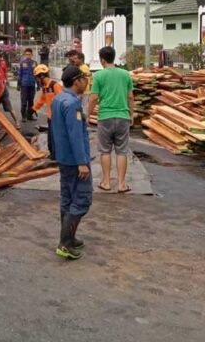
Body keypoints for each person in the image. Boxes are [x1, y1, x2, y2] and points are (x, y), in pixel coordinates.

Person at [51, 66, 92, 260]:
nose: (86, 82)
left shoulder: (58, 99)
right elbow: (75, 135)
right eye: (84, 78)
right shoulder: (72, 104)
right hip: (75, 161)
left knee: (67, 199)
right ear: (77, 81)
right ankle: (65, 243)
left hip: (64, 158)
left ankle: (69, 237)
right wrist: (82, 162)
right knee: (82, 200)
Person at [89, 46, 134, 193]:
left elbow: (94, 98)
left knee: (105, 151)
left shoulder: (98, 76)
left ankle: (106, 182)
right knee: (122, 151)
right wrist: (131, 115)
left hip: (105, 117)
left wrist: (87, 115)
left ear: (102, 59)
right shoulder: (126, 74)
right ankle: (121, 184)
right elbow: (130, 97)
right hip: (123, 116)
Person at [32, 64, 63, 159]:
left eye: (37, 77)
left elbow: (62, 100)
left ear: (41, 76)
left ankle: (57, 155)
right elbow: (42, 99)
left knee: (56, 137)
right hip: (50, 116)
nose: (37, 80)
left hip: (57, 116)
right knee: (51, 137)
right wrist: (33, 109)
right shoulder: (45, 87)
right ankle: (53, 154)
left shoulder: (55, 85)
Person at [0, 52, 21, 129]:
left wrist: (6, 79)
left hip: (2, 90)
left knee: (9, 108)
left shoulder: (0, 65)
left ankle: (17, 122)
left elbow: (4, 72)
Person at [65, 50, 92, 115]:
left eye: (76, 59)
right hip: (82, 92)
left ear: (81, 59)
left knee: (83, 107)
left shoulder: (84, 68)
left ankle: (84, 122)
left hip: (84, 92)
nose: (75, 60)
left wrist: (81, 92)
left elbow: (85, 81)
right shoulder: (80, 67)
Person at [17, 48, 37, 122]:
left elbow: (37, 74)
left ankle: (30, 115)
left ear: (32, 55)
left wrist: (38, 84)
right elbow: (19, 74)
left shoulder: (35, 63)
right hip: (24, 84)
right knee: (24, 101)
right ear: (25, 55)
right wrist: (18, 85)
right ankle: (23, 116)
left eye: (29, 54)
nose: (28, 56)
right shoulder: (22, 63)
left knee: (31, 101)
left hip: (32, 84)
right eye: (26, 54)